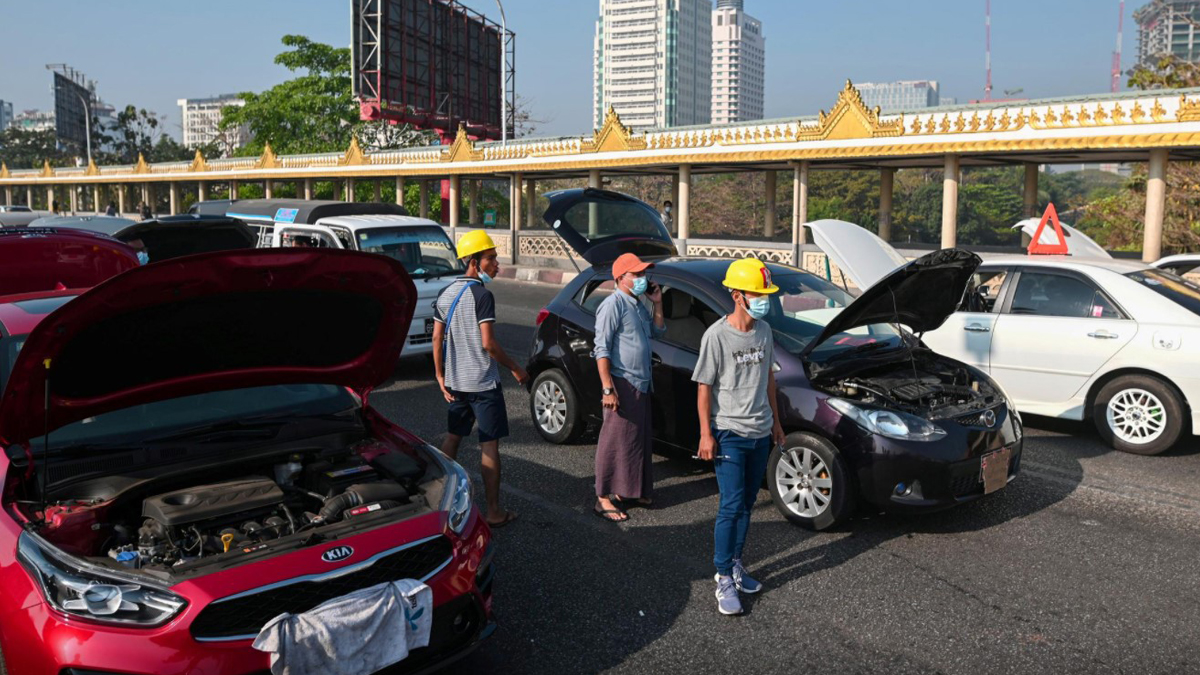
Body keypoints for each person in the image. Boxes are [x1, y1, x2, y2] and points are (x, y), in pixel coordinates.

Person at [692, 257, 786, 616]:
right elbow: (704, 387)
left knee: (746, 505)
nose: (764, 300)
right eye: (757, 294)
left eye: (766, 294)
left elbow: (769, 378)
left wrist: (776, 422)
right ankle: (722, 577)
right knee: (730, 506)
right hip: (729, 432)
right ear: (737, 296)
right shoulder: (716, 336)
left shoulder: (764, 331)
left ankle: (735, 564)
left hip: (761, 431)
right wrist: (706, 434)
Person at [432, 230, 528, 529]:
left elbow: (436, 337)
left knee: (453, 438)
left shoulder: (446, 293)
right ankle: (494, 512)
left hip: (456, 382)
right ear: (474, 262)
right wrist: (515, 367)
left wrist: (439, 375)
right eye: (491, 258)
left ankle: (437, 500)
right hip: (484, 384)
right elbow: (489, 344)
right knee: (489, 446)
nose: (496, 264)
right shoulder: (483, 296)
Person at [592, 252, 665, 522]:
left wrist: (657, 303)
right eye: (637, 274)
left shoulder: (636, 304)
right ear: (621, 278)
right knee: (613, 441)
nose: (642, 278)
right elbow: (601, 349)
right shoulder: (613, 305)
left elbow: (657, 332)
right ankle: (602, 497)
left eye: (644, 274)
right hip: (622, 382)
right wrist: (608, 389)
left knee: (635, 441)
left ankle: (629, 491)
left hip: (641, 383)